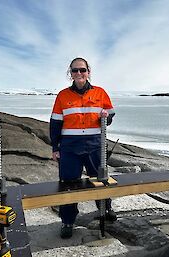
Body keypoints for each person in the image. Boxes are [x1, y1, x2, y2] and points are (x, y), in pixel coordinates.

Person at [50, 57, 116, 239]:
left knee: (100, 179)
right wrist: (55, 147)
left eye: (82, 70)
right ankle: (67, 221)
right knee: (68, 184)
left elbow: (110, 114)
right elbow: (55, 123)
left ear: (88, 72)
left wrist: (106, 116)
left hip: (95, 144)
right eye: (75, 70)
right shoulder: (63, 95)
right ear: (70, 73)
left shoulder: (100, 93)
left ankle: (106, 208)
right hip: (70, 147)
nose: (79, 73)